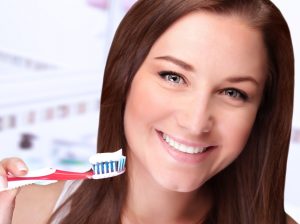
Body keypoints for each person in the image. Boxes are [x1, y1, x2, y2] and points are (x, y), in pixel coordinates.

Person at [0, 0, 297, 223]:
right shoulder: (24, 214)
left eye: (233, 93)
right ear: (124, 76)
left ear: (261, 112)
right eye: (173, 77)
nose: (195, 123)